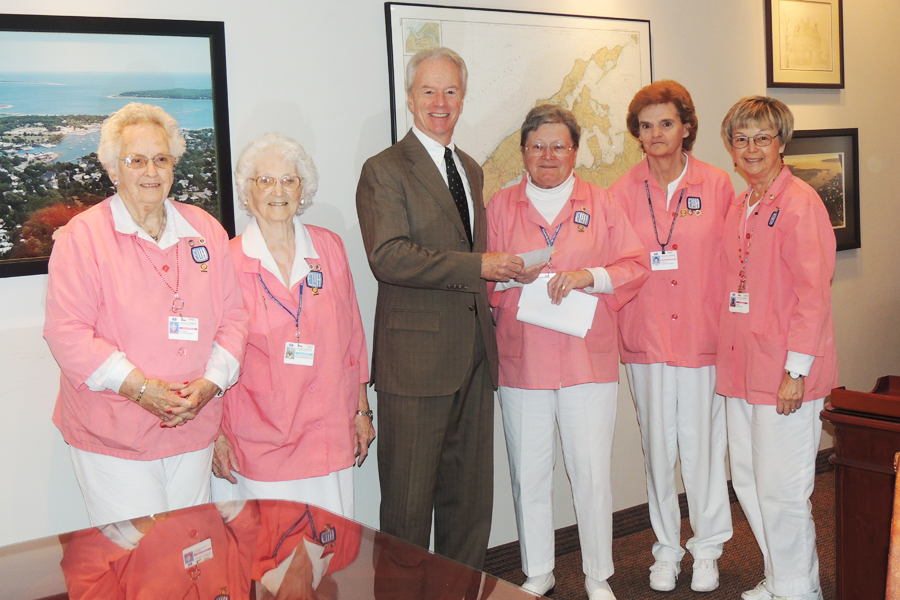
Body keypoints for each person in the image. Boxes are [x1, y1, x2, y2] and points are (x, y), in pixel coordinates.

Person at [355, 47, 524, 569]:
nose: (440, 101)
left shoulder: (470, 169)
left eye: (451, 91)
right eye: (428, 90)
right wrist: (481, 267)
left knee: (469, 506)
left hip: (475, 357)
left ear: (463, 99)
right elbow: (389, 257)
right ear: (409, 98)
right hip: (416, 365)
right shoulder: (383, 169)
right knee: (406, 513)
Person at [43, 103, 248, 526]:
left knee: (190, 550)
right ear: (114, 170)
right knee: (139, 566)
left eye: (161, 159)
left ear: (174, 165)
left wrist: (210, 383)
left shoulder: (206, 229)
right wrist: (142, 390)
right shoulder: (83, 237)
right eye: (136, 160)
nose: (150, 171)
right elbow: (67, 334)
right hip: (115, 431)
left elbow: (234, 318)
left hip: (192, 424)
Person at [488, 104, 649, 600]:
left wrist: (590, 276)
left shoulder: (602, 203)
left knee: (591, 474)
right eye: (537, 145)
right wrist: (508, 274)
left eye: (559, 145)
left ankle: (598, 575)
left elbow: (636, 266)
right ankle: (539, 571)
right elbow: (485, 280)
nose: (548, 155)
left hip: (587, 360)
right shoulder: (500, 206)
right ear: (523, 152)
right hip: (524, 361)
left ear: (575, 151)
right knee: (529, 474)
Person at [608, 80, 734, 593]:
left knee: (703, 449)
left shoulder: (718, 185)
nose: (656, 134)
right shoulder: (621, 191)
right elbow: (611, 264)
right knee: (658, 449)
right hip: (648, 339)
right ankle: (666, 548)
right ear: (636, 133)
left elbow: (736, 264)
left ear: (686, 127)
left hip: (702, 339)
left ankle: (707, 548)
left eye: (666, 123)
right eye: (646, 125)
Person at [211, 133, 374, 518]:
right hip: (262, 439)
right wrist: (215, 435)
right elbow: (211, 357)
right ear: (247, 193)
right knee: (273, 562)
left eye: (289, 179)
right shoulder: (227, 261)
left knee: (329, 553)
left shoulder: (329, 247)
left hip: (328, 431)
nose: (277, 190)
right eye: (264, 180)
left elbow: (353, 336)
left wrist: (362, 412)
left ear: (303, 189)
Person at [718, 96, 837, 600]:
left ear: (782, 143)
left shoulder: (800, 203)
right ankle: (784, 577)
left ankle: (799, 590)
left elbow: (813, 293)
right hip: (744, 369)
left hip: (786, 374)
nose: (751, 148)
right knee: (748, 481)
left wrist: (796, 370)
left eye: (762, 138)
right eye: (741, 138)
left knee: (784, 491)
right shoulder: (742, 203)